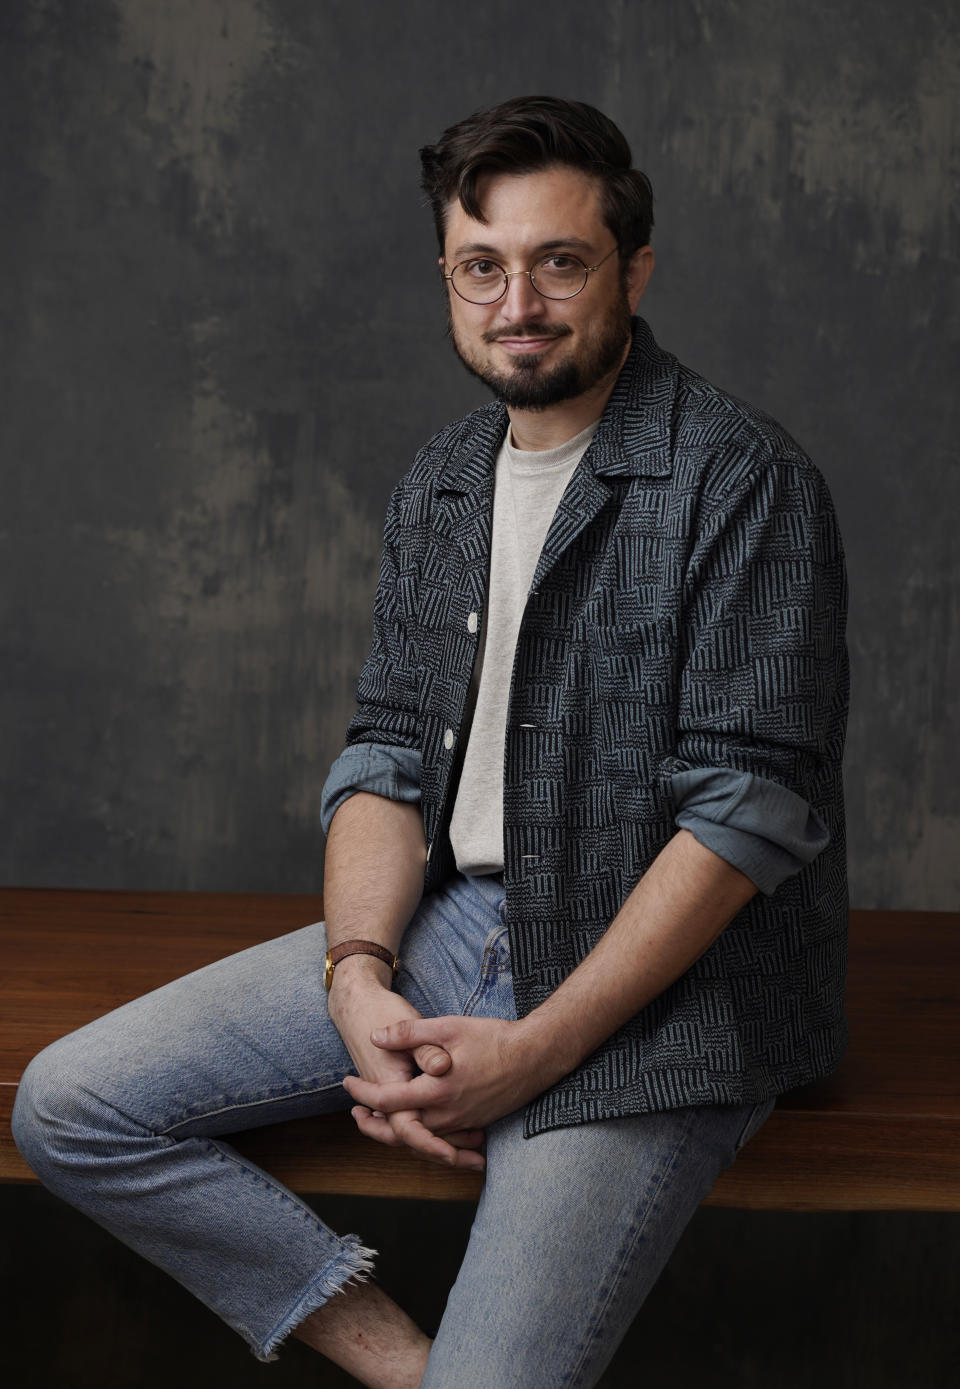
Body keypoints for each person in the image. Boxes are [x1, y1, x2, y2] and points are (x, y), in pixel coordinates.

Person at [12, 95, 849, 1388]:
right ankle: (410, 1371)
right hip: (458, 925)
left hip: (665, 999)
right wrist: (358, 973)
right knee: (72, 1105)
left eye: (559, 262)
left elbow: (744, 814)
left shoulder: (743, 480)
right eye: (481, 266)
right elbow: (388, 754)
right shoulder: (446, 478)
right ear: (449, 280)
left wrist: (536, 1049)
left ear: (633, 270)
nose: (517, 300)